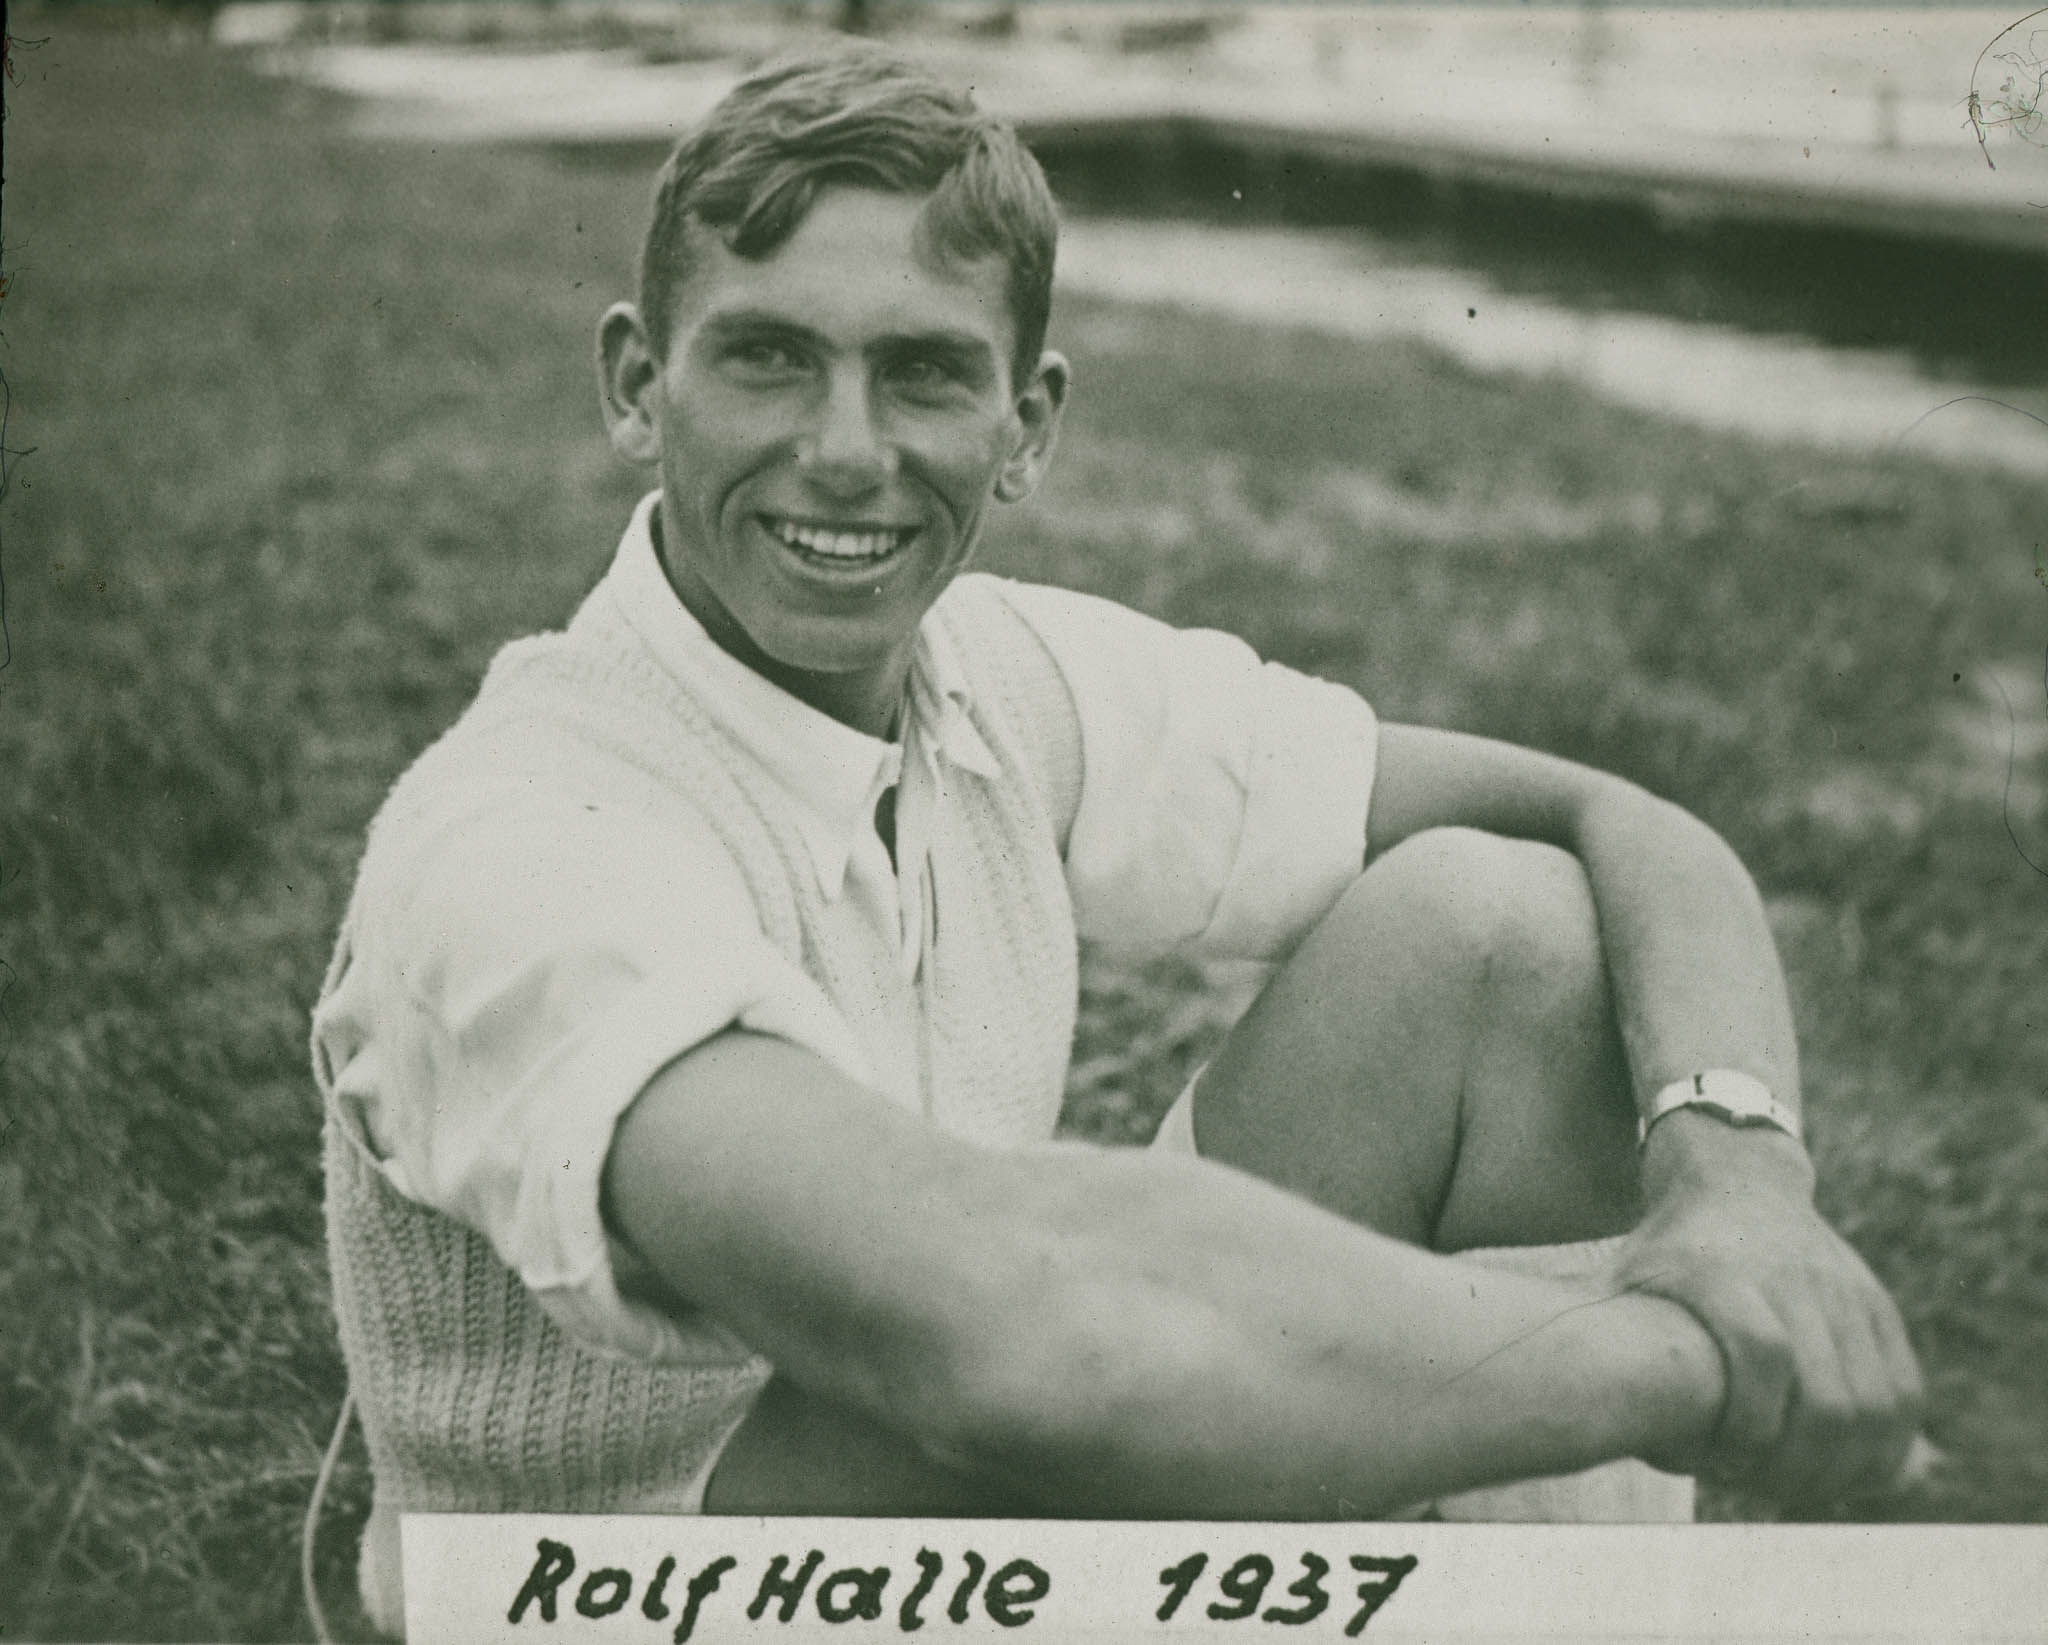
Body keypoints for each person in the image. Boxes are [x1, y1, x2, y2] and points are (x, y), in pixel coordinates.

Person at [309, 41, 1923, 1638]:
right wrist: (1695, 1356)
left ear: (1026, 424)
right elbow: (1016, 1335)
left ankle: (1586, 1616)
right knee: (1083, 1319)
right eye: (768, 359)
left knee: (1512, 937)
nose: (847, 451)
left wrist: (1739, 1191)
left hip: (921, 1483)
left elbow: (1616, 819)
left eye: (924, 373)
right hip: (631, 1595)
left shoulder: (992, 673)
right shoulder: (524, 834)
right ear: (634, 384)